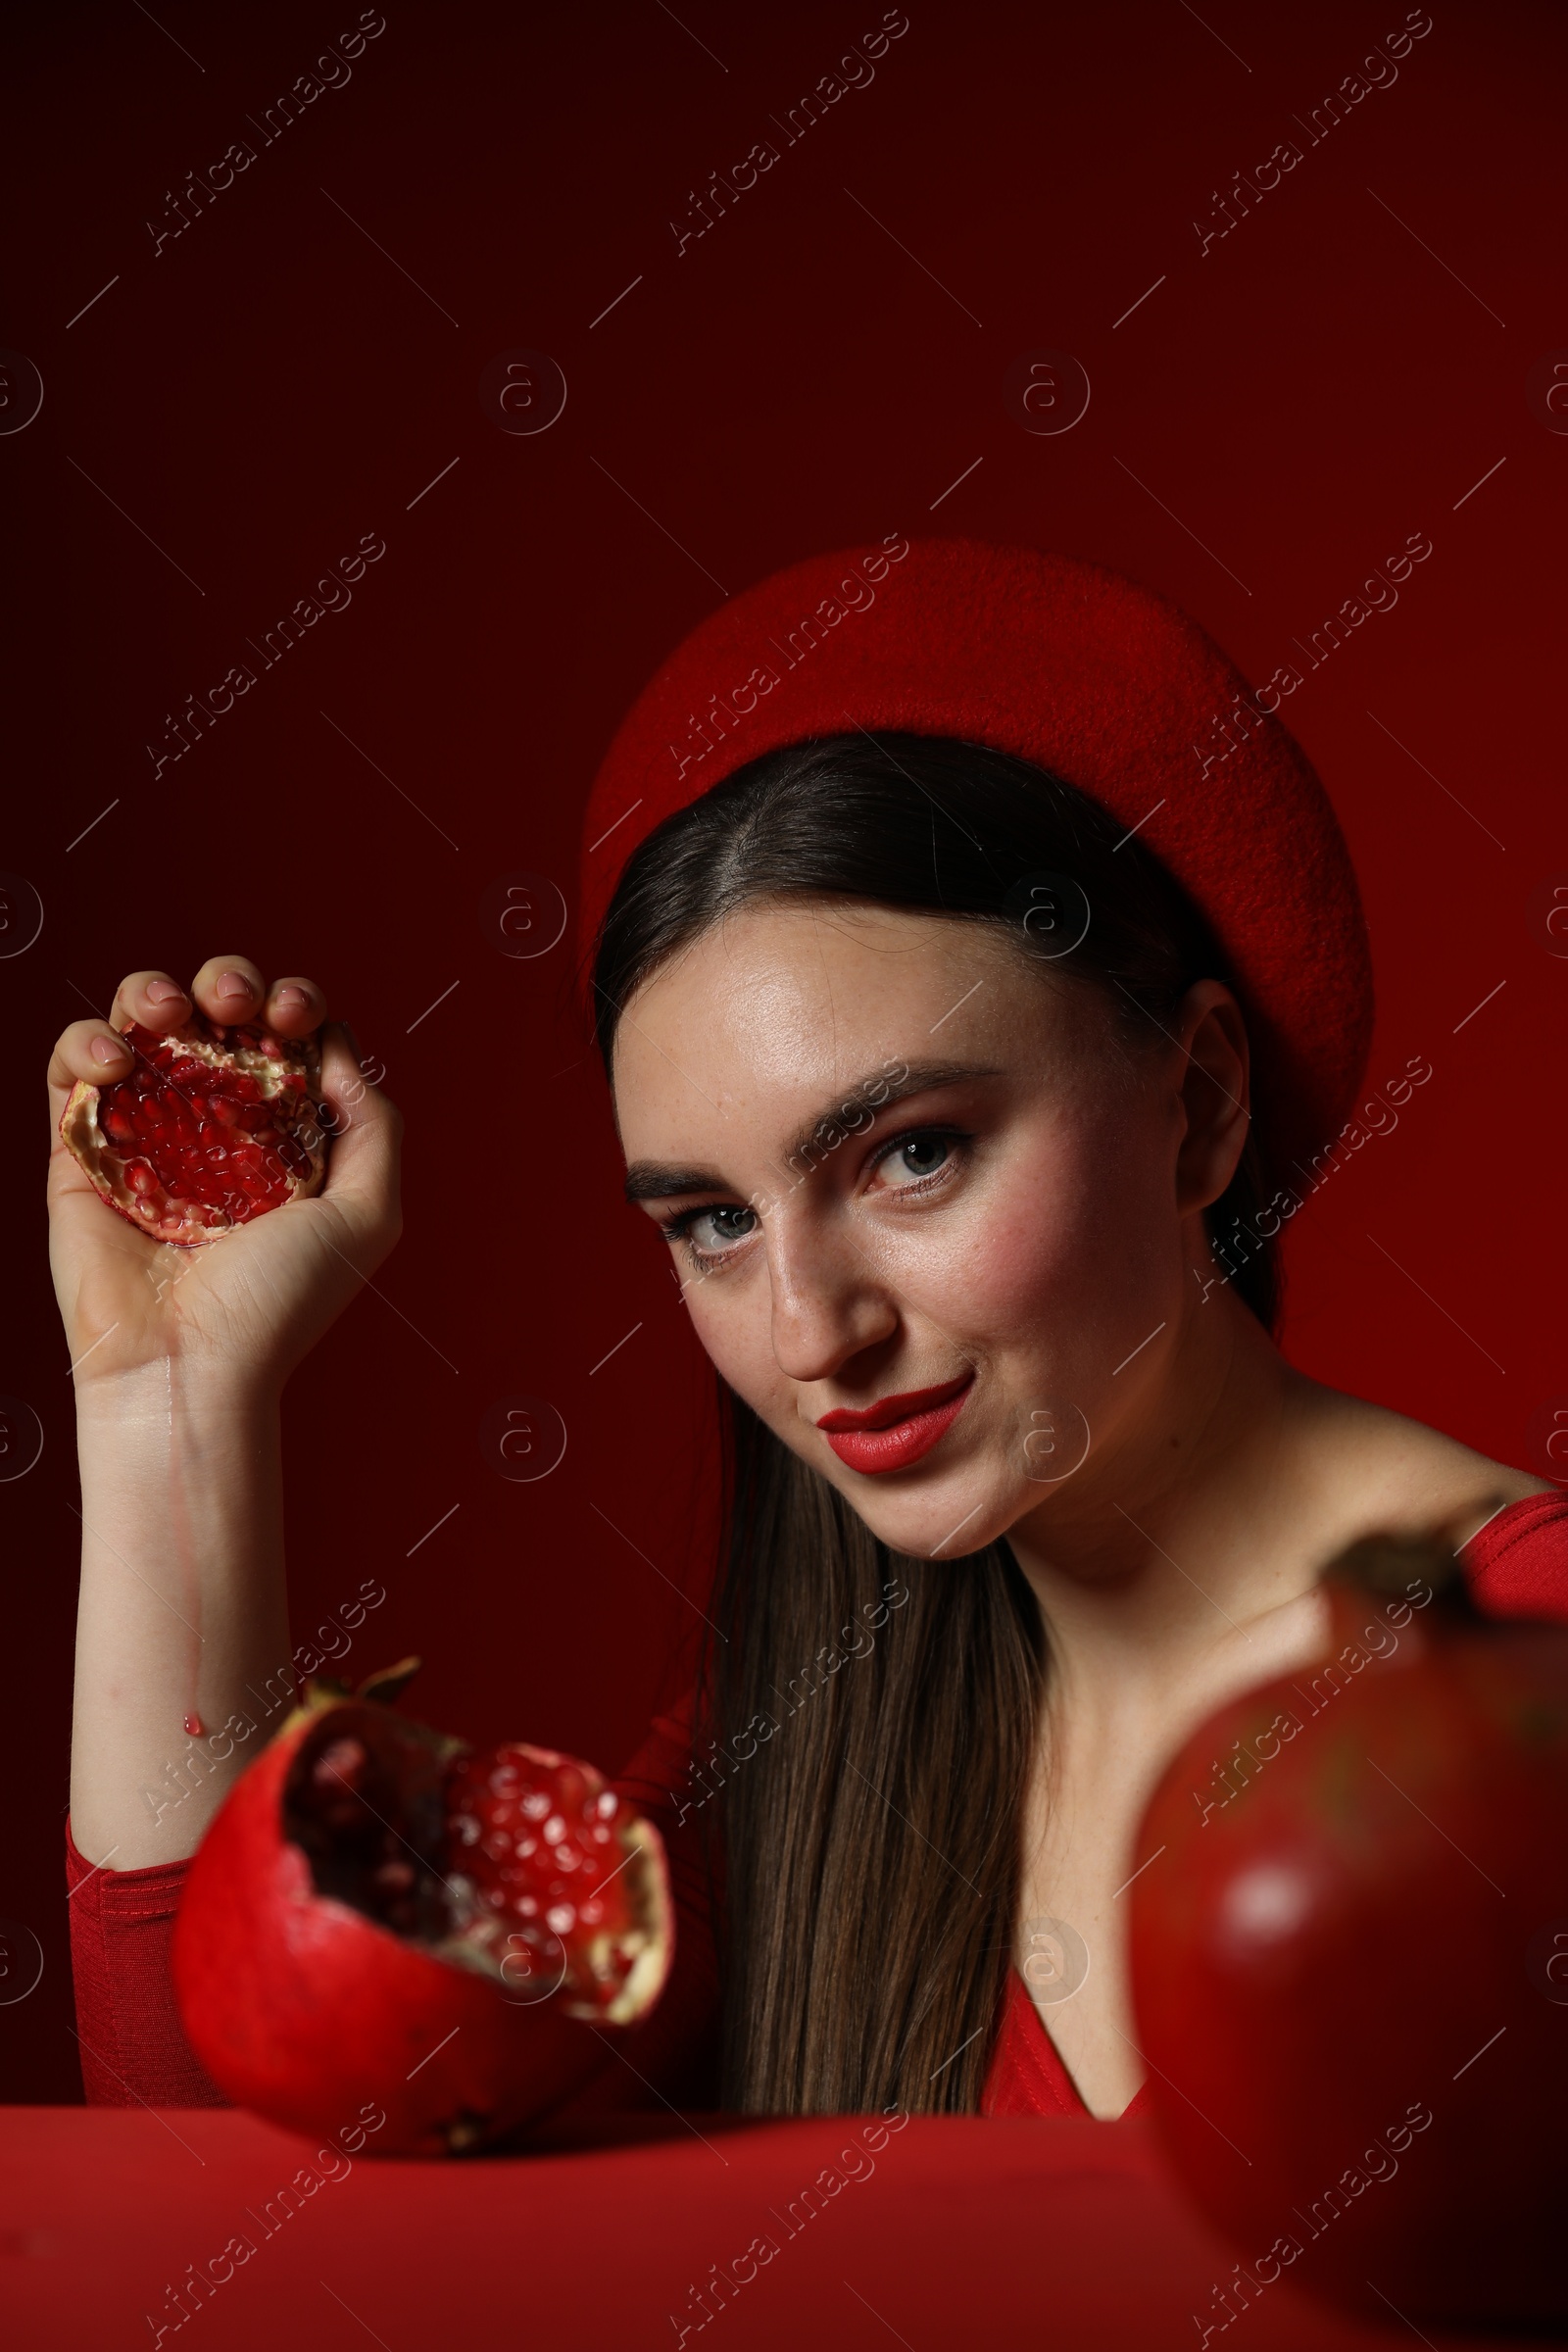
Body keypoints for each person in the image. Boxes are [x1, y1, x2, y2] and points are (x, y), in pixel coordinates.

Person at [54, 540, 1567, 2127]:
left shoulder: (1526, 1696)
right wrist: (170, 1401)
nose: (808, 1332)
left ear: (1195, 1105)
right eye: (713, 1220)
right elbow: (219, 2150)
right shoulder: (808, 1747)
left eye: (913, 1152)